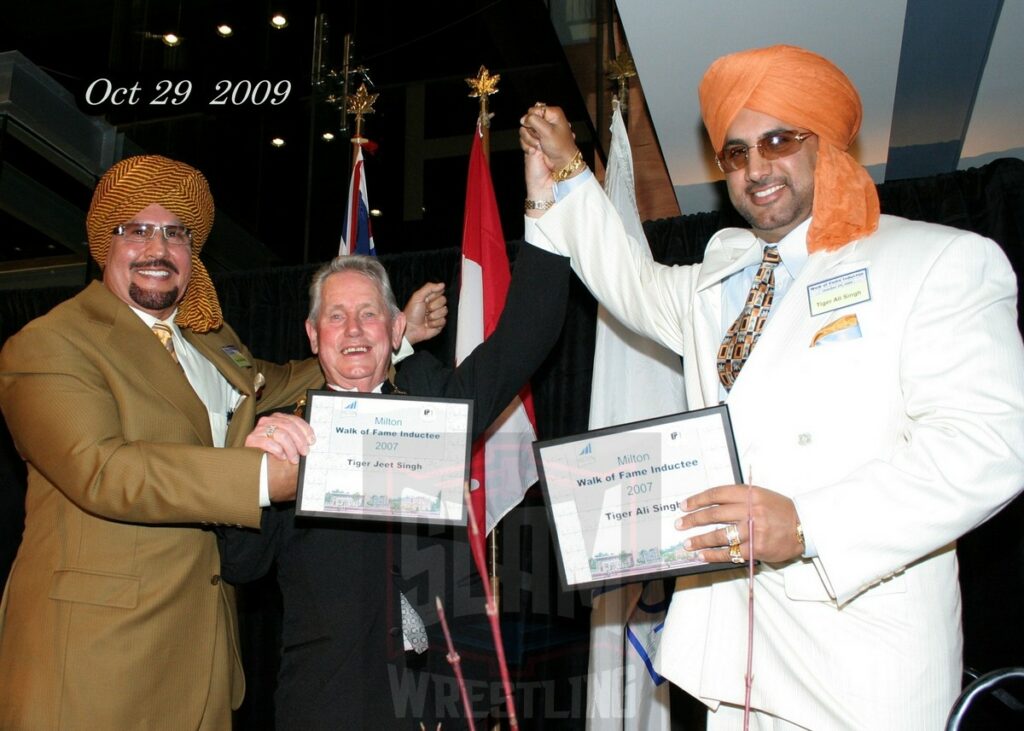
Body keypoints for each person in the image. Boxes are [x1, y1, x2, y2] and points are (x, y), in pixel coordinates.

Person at [519, 45, 1024, 729]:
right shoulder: (718, 278)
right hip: (735, 667)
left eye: (779, 141)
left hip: (861, 669)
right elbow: (630, 281)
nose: (756, 169)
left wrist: (809, 524)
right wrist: (571, 170)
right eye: (735, 153)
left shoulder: (935, 261)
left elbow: (991, 446)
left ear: (829, 144)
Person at [0, 154, 446, 730]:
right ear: (102, 243)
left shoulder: (212, 343)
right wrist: (263, 477)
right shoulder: (50, 344)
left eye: (176, 233)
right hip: (92, 660)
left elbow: (288, 377)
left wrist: (390, 332)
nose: (158, 248)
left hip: (200, 660)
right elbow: (105, 471)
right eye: (136, 230)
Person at [218, 242, 570, 729]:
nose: (355, 330)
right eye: (336, 317)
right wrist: (251, 473)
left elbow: (526, 337)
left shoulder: (435, 402)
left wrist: (548, 211)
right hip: (329, 706)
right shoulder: (287, 437)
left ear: (397, 328)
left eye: (369, 313)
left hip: (449, 702)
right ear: (313, 336)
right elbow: (241, 565)